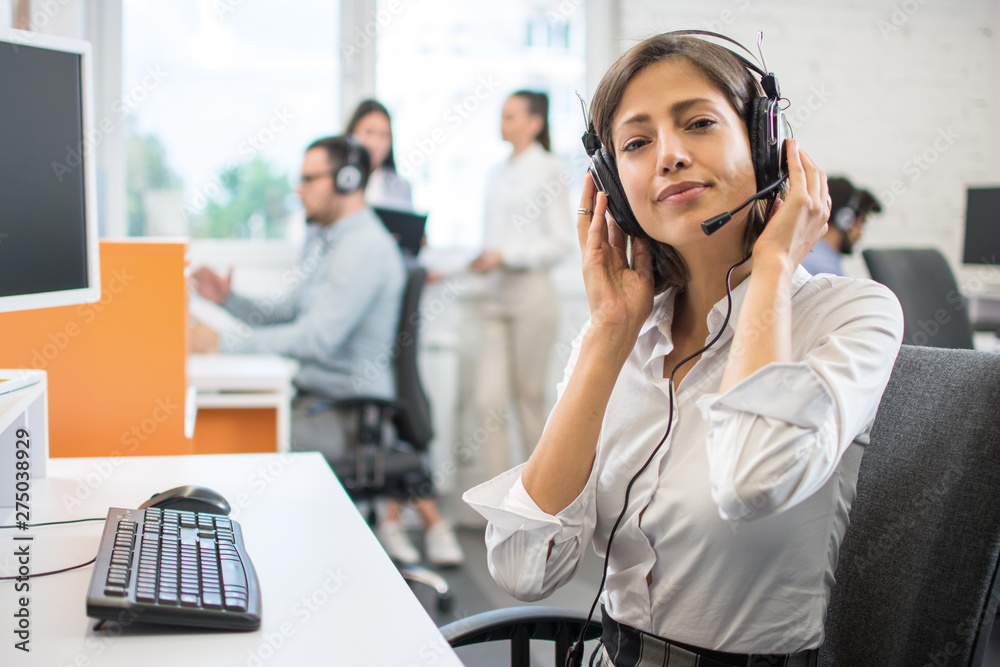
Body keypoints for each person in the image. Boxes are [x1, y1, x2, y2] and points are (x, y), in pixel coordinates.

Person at [463, 32, 904, 666]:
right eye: (636, 143)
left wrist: (775, 263)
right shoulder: (622, 339)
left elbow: (753, 482)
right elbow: (524, 569)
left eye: (698, 123)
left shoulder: (851, 314)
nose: (668, 156)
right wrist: (608, 333)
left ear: (764, 143)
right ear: (614, 185)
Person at [190, 135, 460, 566]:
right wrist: (228, 299)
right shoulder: (330, 242)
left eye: (309, 179)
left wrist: (220, 343)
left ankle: (256, 573)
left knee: (236, 441)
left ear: (348, 180)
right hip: (320, 402)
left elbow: (316, 339)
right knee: (228, 425)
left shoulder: (364, 248)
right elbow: (287, 313)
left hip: (347, 414)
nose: (298, 189)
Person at [345, 98, 466, 567]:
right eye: (367, 132)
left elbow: (416, 248)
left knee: (406, 410)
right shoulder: (342, 187)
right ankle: (415, 523)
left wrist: (421, 257)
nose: (376, 142)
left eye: (383, 134)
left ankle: (402, 522)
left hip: (399, 314)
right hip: (360, 321)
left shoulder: (399, 186)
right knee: (393, 412)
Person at [466, 89, 575, 487]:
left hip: (531, 295)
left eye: (512, 116)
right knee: (487, 402)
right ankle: (495, 507)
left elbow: (561, 243)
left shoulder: (550, 170)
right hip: (495, 297)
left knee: (529, 401)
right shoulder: (496, 172)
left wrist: (507, 254)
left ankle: (538, 499)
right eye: (502, 116)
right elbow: (492, 238)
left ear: (535, 122)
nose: (503, 123)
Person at [801, 176, 883, 276]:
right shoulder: (825, 269)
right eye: (861, 223)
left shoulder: (805, 253)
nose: (860, 234)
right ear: (845, 220)